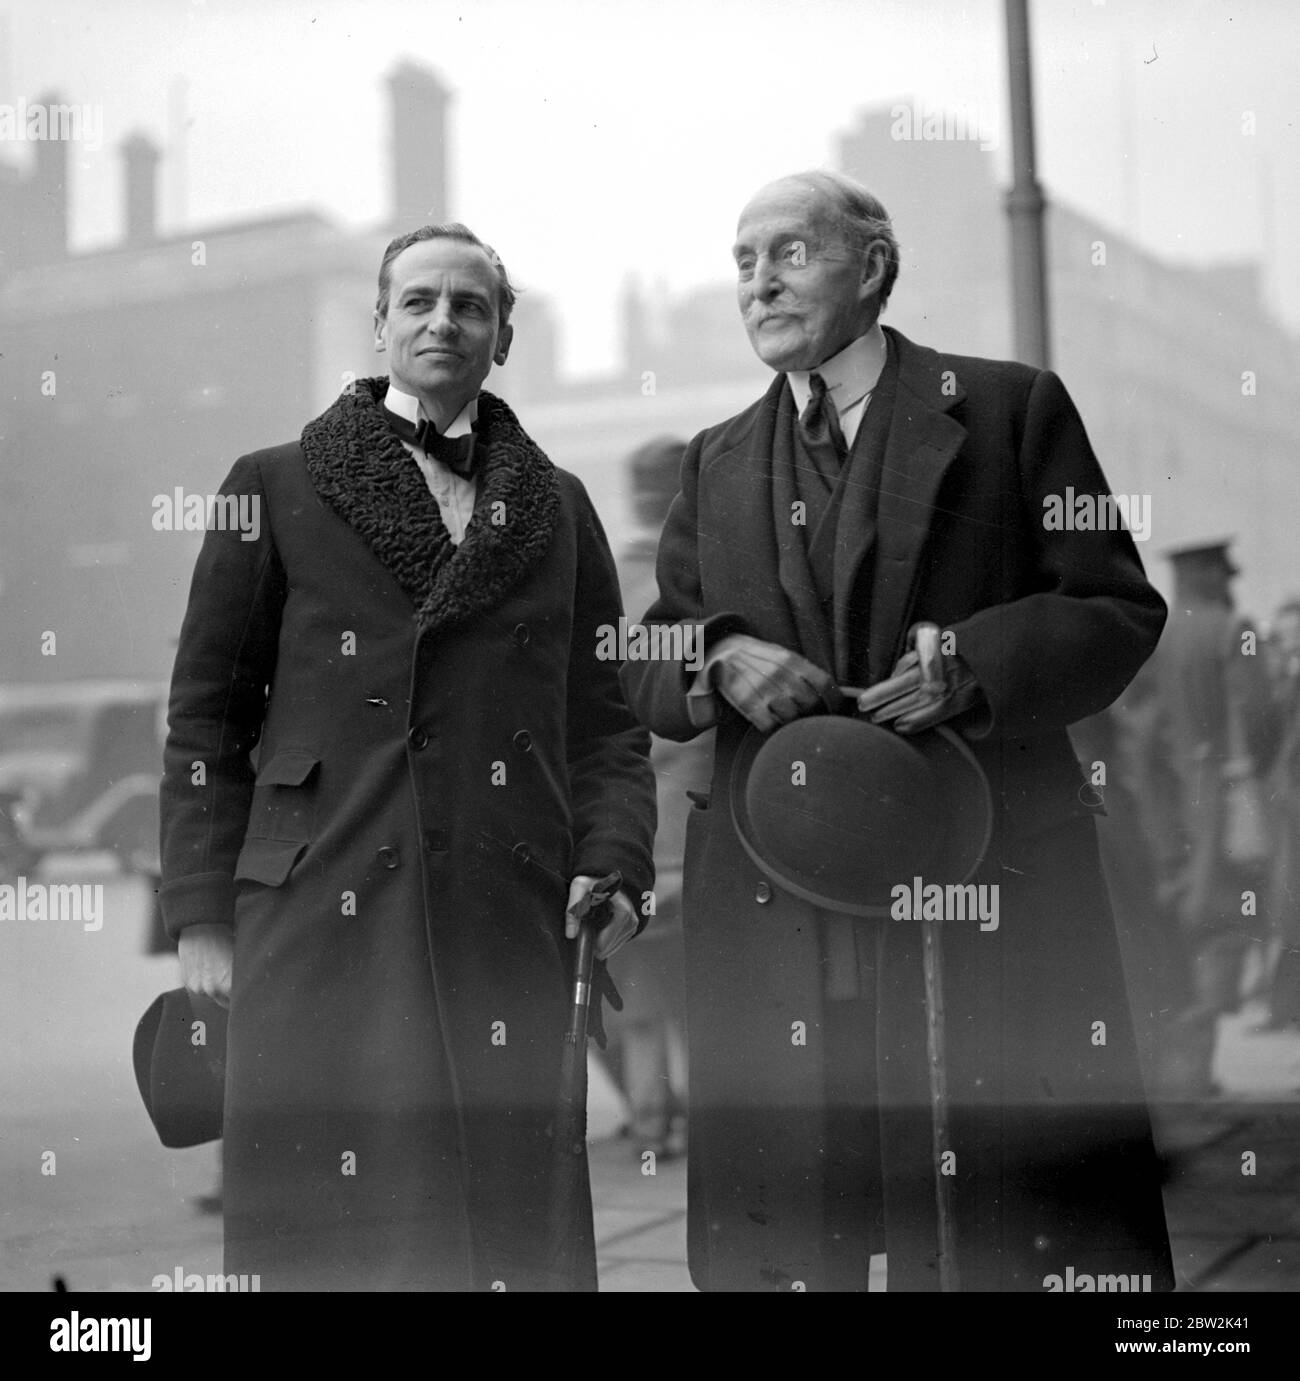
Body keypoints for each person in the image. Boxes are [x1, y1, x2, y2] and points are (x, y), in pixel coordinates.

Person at [620, 169, 1175, 1292]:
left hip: (980, 885)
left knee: (998, 1225)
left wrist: (970, 661)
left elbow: (1117, 610)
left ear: (871, 267)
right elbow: (639, 659)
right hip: (785, 908)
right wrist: (717, 655)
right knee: (804, 1220)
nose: (758, 282)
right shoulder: (716, 459)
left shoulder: (1009, 409)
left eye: (789, 252)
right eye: (742, 260)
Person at [159, 222, 656, 1292]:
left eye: (470, 306)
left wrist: (613, 864)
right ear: (378, 324)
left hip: (505, 910)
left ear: (504, 336)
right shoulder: (273, 484)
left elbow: (605, 720)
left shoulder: (558, 508)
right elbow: (206, 719)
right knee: (334, 1224)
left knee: (502, 1216)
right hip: (319, 907)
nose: (445, 321)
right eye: (419, 301)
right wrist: (202, 917)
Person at [604, 437, 703, 1159]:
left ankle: (650, 1121)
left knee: (640, 997)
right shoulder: (713, 577)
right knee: (699, 994)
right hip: (698, 820)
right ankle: (696, 1116)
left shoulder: (611, 582)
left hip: (638, 827)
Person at [1154, 542, 1276, 1080]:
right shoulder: (1235, 629)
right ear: (1209, 576)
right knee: (1227, 916)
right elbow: (1259, 713)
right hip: (1229, 793)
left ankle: (1183, 1061)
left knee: (1182, 911)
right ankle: (1194, 1069)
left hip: (1174, 796)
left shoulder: (1158, 636)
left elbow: (1144, 732)